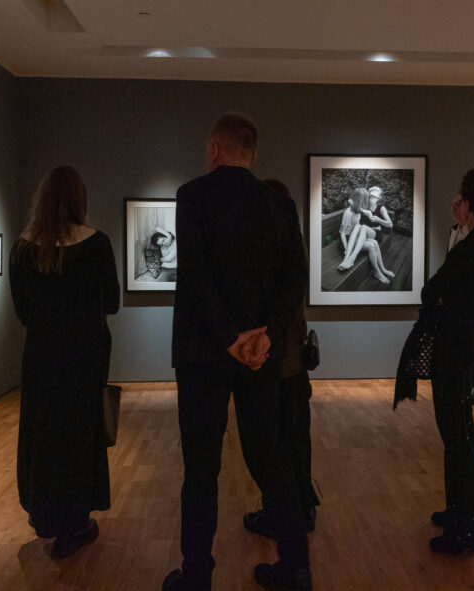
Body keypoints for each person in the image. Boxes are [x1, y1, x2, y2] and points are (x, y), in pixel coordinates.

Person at [164, 112, 311, 591]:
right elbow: (295, 279)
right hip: (260, 356)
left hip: (203, 354)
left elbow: (195, 277)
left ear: (214, 148)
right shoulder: (278, 204)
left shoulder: (192, 196)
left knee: (201, 468)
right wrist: (264, 336)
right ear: (253, 153)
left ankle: (197, 574)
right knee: (271, 459)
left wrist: (229, 339)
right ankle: (295, 566)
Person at [9, 165, 120, 558]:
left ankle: (46, 514)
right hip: (85, 357)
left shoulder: (23, 248)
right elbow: (113, 302)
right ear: (79, 199)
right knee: (79, 434)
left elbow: (22, 311)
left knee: (44, 434)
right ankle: (76, 520)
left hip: (41, 357)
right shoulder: (97, 244)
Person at [422, 168, 474, 554]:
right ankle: (462, 513)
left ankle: (465, 526)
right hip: (467, 344)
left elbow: (432, 290)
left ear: (469, 203)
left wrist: (441, 297)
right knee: (460, 435)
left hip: (457, 346)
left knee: (456, 436)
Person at [243, 179, 320, 537]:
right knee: (296, 438)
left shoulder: (265, 250)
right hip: (293, 362)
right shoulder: (292, 247)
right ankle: (301, 508)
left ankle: (283, 515)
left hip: (275, 361)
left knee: (270, 442)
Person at [447, 193, 474, 405]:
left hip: (471, 301)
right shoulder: (454, 231)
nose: (455, 208)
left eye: (459, 204)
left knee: (473, 345)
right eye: (453, 204)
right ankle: (462, 387)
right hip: (456, 301)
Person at [338, 186, 395, 284]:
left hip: (358, 235)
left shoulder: (364, 208)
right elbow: (342, 232)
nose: (368, 199)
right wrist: (347, 248)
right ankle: (377, 271)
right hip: (350, 239)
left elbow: (353, 201)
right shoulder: (353, 211)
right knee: (372, 242)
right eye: (368, 197)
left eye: (374, 195)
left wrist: (376, 219)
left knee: (367, 234)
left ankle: (380, 269)